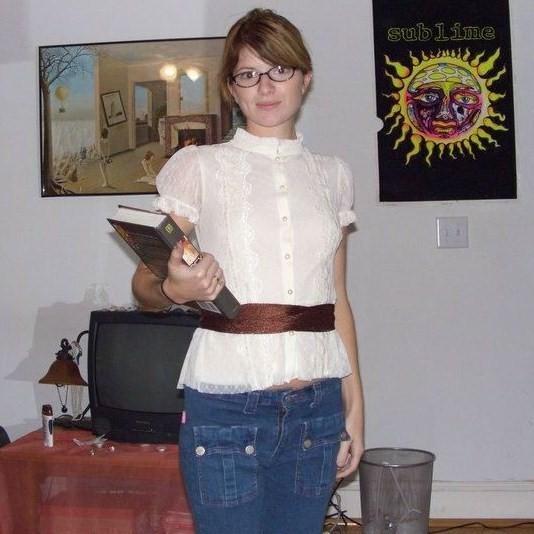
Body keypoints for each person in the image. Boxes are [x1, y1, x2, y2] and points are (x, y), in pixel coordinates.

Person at [132, 8, 364, 534]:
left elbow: (338, 301)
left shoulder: (334, 177)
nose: (265, 86)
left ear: (305, 77)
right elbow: (144, 285)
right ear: (230, 89)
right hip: (225, 412)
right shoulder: (198, 167)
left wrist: (356, 412)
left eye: (279, 69)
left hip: (317, 410)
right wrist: (174, 288)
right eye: (248, 74)